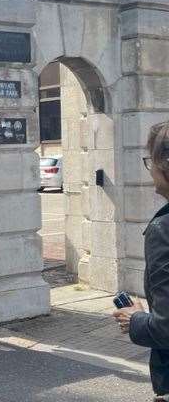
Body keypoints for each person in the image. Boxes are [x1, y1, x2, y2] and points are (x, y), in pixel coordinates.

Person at [113, 121, 169, 401]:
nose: (150, 171)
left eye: (151, 161)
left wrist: (134, 319)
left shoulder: (163, 230)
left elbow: (166, 327)